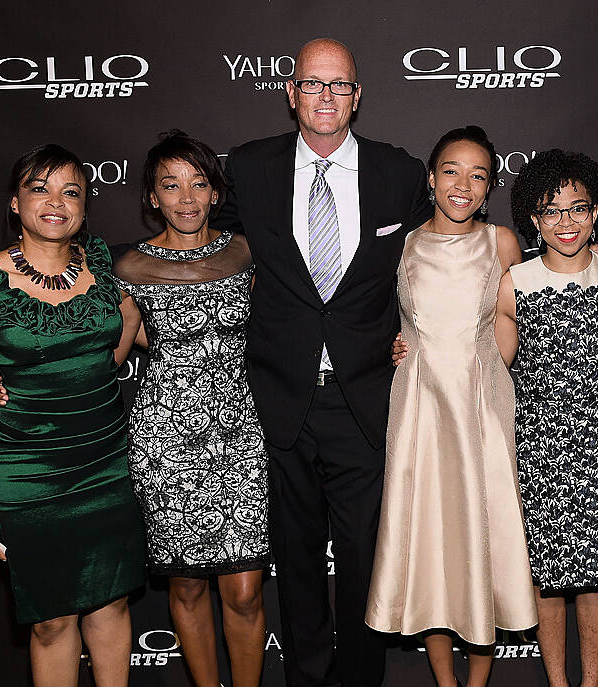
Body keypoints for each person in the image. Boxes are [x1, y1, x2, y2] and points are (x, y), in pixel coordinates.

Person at [213, 38, 431, 687]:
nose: (327, 97)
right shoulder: (250, 169)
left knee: (367, 559)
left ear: (358, 97)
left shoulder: (399, 172)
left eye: (339, 85)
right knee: (296, 561)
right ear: (290, 93)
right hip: (280, 399)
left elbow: (453, 246)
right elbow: (200, 247)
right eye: (313, 84)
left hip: (366, 398)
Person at [0, 144, 146, 687]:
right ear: (15, 202)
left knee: (111, 606)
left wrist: (76, 378)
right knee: (52, 621)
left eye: (70, 191)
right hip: (28, 474)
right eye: (40, 188)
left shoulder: (104, 270)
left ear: (84, 206)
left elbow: (124, 335)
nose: (56, 202)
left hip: (106, 463)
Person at [366, 126, 537, 687]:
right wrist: (400, 343)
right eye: (451, 171)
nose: (464, 185)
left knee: (479, 542)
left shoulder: (502, 242)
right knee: (430, 547)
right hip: (417, 411)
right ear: (433, 178)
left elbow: (517, 318)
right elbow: (384, 318)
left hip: (480, 411)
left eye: (479, 175)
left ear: (488, 189)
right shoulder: (405, 244)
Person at [110, 130, 270, 687]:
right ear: (153, 196)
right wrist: (12, 378)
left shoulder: (247, 250)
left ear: (215, 193)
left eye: (198, 183)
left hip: (242, 432)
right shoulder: (128, 266)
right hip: (165, 437)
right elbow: (107, 350)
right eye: (171, 185)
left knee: (245, 590)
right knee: (185, 584)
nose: (186, 197)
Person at [496, 149, 598, 687]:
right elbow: (491, 363)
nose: (566, 222)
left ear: (596, 212)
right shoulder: (516, 282)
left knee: (597, 576)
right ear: (533, 219)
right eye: (551, 211)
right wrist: (410, 343)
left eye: (578, 209)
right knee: (546, 578)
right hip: (537, 449)